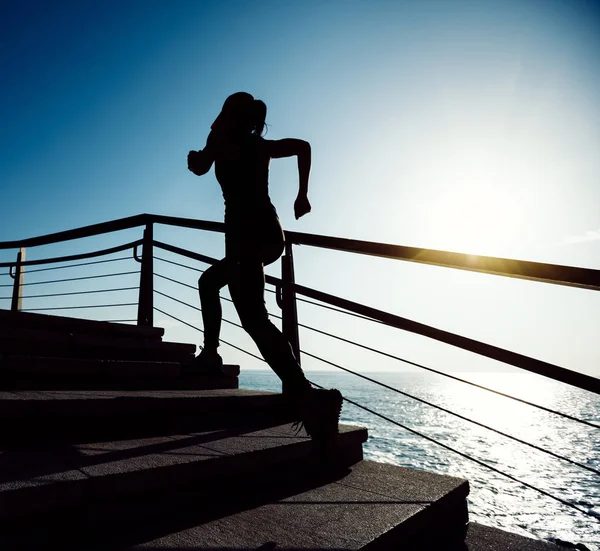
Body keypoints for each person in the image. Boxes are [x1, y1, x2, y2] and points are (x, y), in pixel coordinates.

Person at [187, 92, 342, 448]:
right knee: (210, 283)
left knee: (254, 318)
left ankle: (311, 399)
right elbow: (302, 146)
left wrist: (197, 159)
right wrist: (302, 195)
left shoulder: (233, 140)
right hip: (267, 234)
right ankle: (211, 355)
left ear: (229, 113)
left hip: (246, 235)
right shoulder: (257, 144)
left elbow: (201, 165)